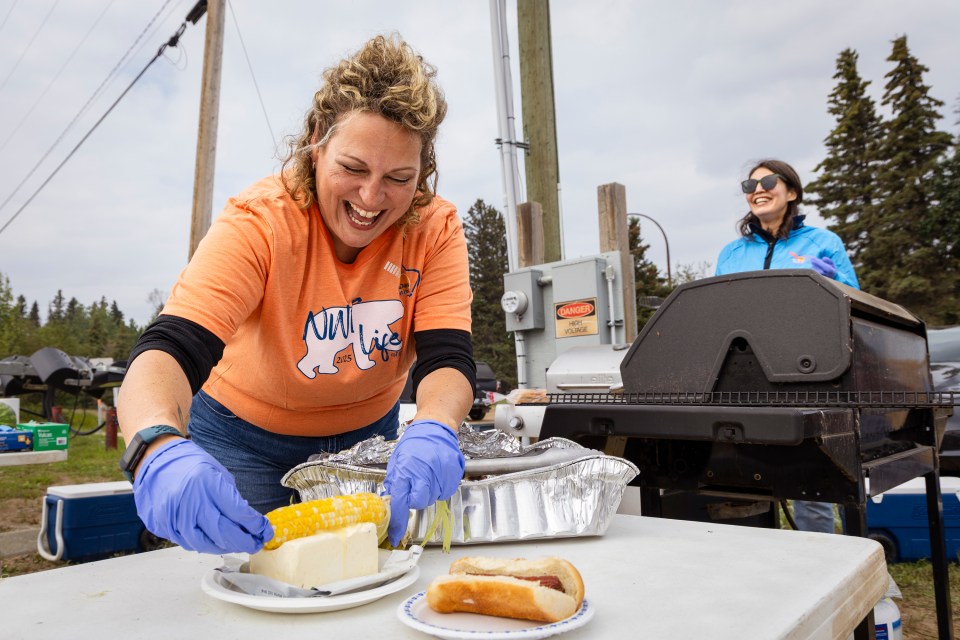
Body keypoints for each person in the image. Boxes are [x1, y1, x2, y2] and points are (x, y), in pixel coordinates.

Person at [117, 34, 475, 554]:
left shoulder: (435, 228)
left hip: (368, 441)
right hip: (242, 439)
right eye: (353, 168)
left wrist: (436, 425)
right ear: (316, 141)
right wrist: (155, 446)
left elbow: (447, 356)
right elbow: (171, 348)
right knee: (246, 589)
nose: (371, 199)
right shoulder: (259, 222)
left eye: (399, 177)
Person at [715, 158, 859, 533]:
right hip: (748, 378)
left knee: (818, 472)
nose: (758, 190)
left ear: (791, 191)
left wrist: (834, 282)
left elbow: (855, 303)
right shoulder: (731, 253)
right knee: (752, 476)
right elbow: (716, 312)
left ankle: (854, 569)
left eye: (769, 181)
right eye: (750, 186)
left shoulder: (824, 242)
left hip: (811, 370)